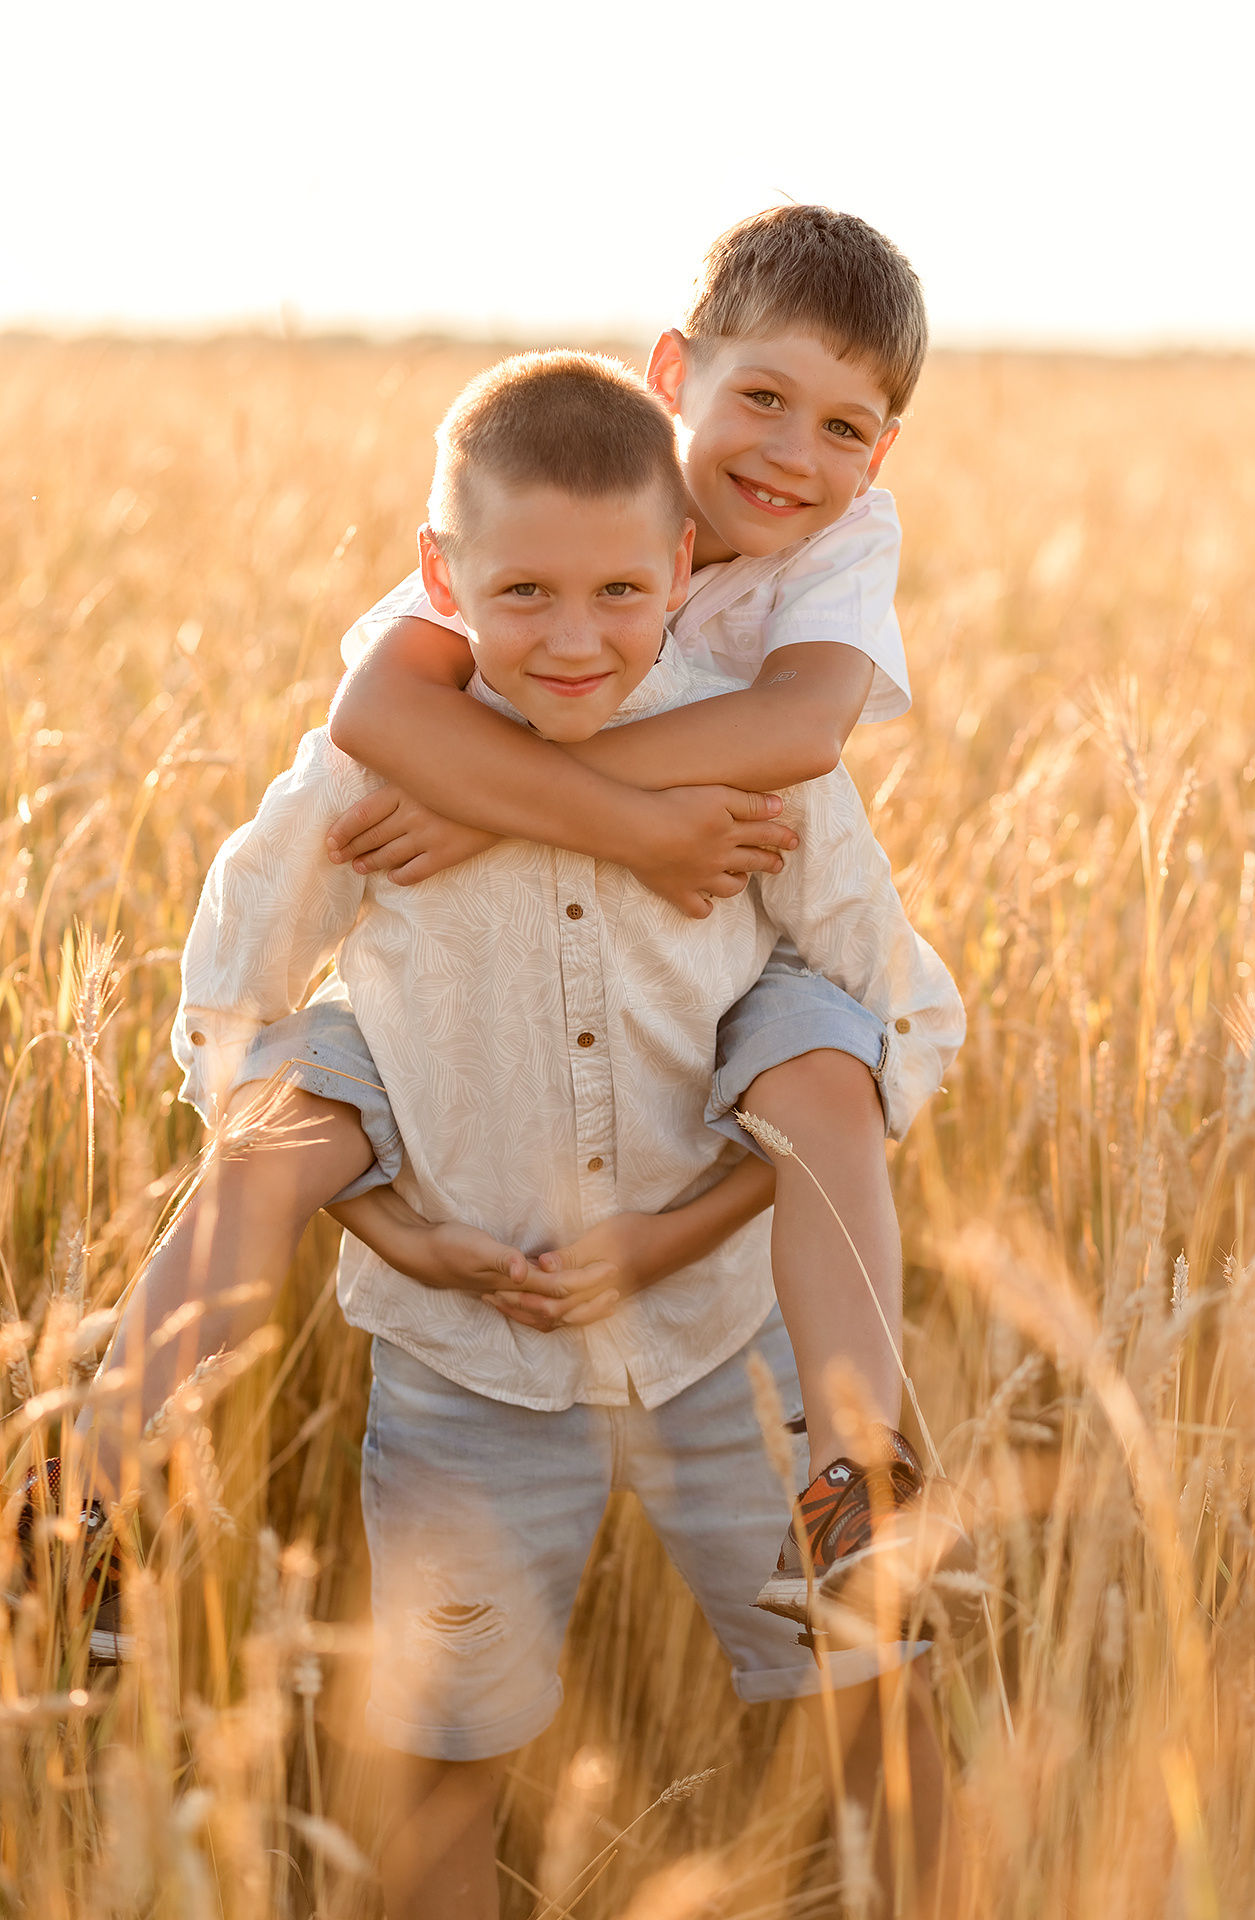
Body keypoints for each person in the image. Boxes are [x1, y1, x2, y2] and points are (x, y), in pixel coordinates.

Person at [162, 350, 966, 1917]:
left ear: (681, 568)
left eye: (618, 590)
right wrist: (391, 1225)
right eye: (522, 592)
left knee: (874, 1702)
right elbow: (233, 1006)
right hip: (470, 1368)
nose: (578, 637)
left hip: (734, 1355)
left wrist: (675, 1234)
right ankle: (104, 1475)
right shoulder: (381, 756)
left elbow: (895, 1022)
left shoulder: (743, 747)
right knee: (443, 1761)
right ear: (441, 579)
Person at [326, 205, 944, 1621]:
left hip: (750, 937)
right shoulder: (576, 483)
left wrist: (503, 793)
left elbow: (800, 725)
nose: (796, 456)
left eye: (847, 429)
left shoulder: (846, 544)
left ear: (883, 457)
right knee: (293, 1112)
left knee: (825, 1080)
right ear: (676, 374)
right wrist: (620, 823)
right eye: (765, 398)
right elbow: (377, 703)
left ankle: (872, 1468)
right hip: (536, 989)